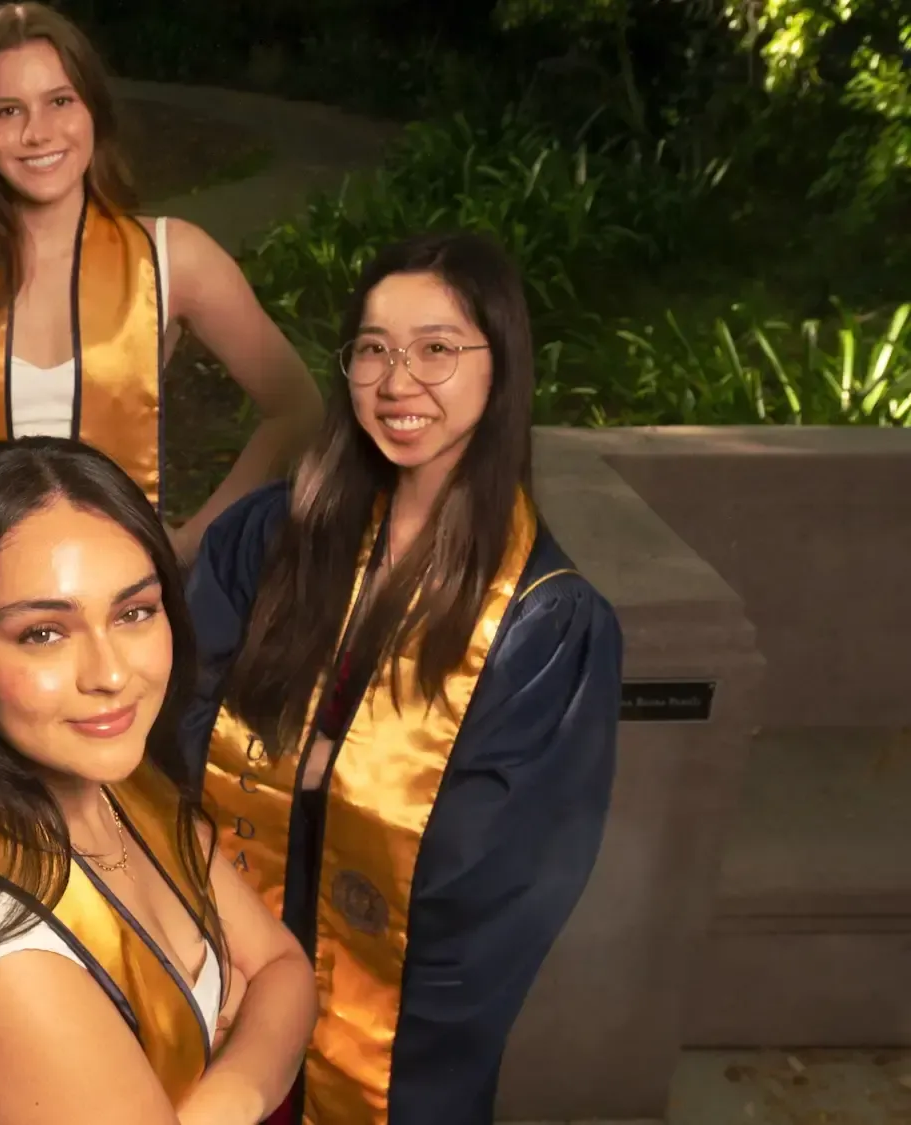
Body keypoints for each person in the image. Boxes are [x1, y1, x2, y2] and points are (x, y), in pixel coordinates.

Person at [180, 232, 623, 1125]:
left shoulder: (541, 624)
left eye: (436, 348)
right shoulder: (270, 537)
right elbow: (181, 716)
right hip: (219, 954)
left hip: (385, 1029)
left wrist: (322, 783)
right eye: (374, 349)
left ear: (502, 366)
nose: (397, 381)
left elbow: (498, 873)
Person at [0, 437, 318, 1125]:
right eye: (43, 633)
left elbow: (287, 971)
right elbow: (274, 991)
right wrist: (243, 1033)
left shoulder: (116, 782)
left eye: (134, 612)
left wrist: (220, 1097)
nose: (110, 674)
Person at [0, 2, 322, 603]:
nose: (38, 132)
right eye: (9, 110)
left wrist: (191, 540)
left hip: (122, 605)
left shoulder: (171, 257)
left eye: (60, 101)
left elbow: (298, 408)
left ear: (93, 108)